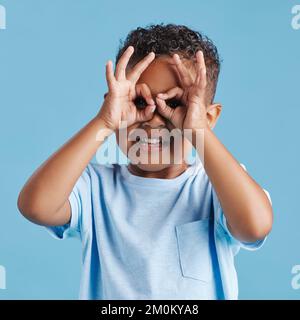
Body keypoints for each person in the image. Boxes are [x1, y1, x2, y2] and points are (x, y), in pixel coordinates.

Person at [17, 23, 273, 300]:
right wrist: (104, 122)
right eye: (140, 102)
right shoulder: (95, 188)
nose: (153, 119)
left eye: (175, 105)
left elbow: (254, 226)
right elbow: (36, 206)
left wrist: (197, 130)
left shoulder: (217, 186)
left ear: (208, 117)